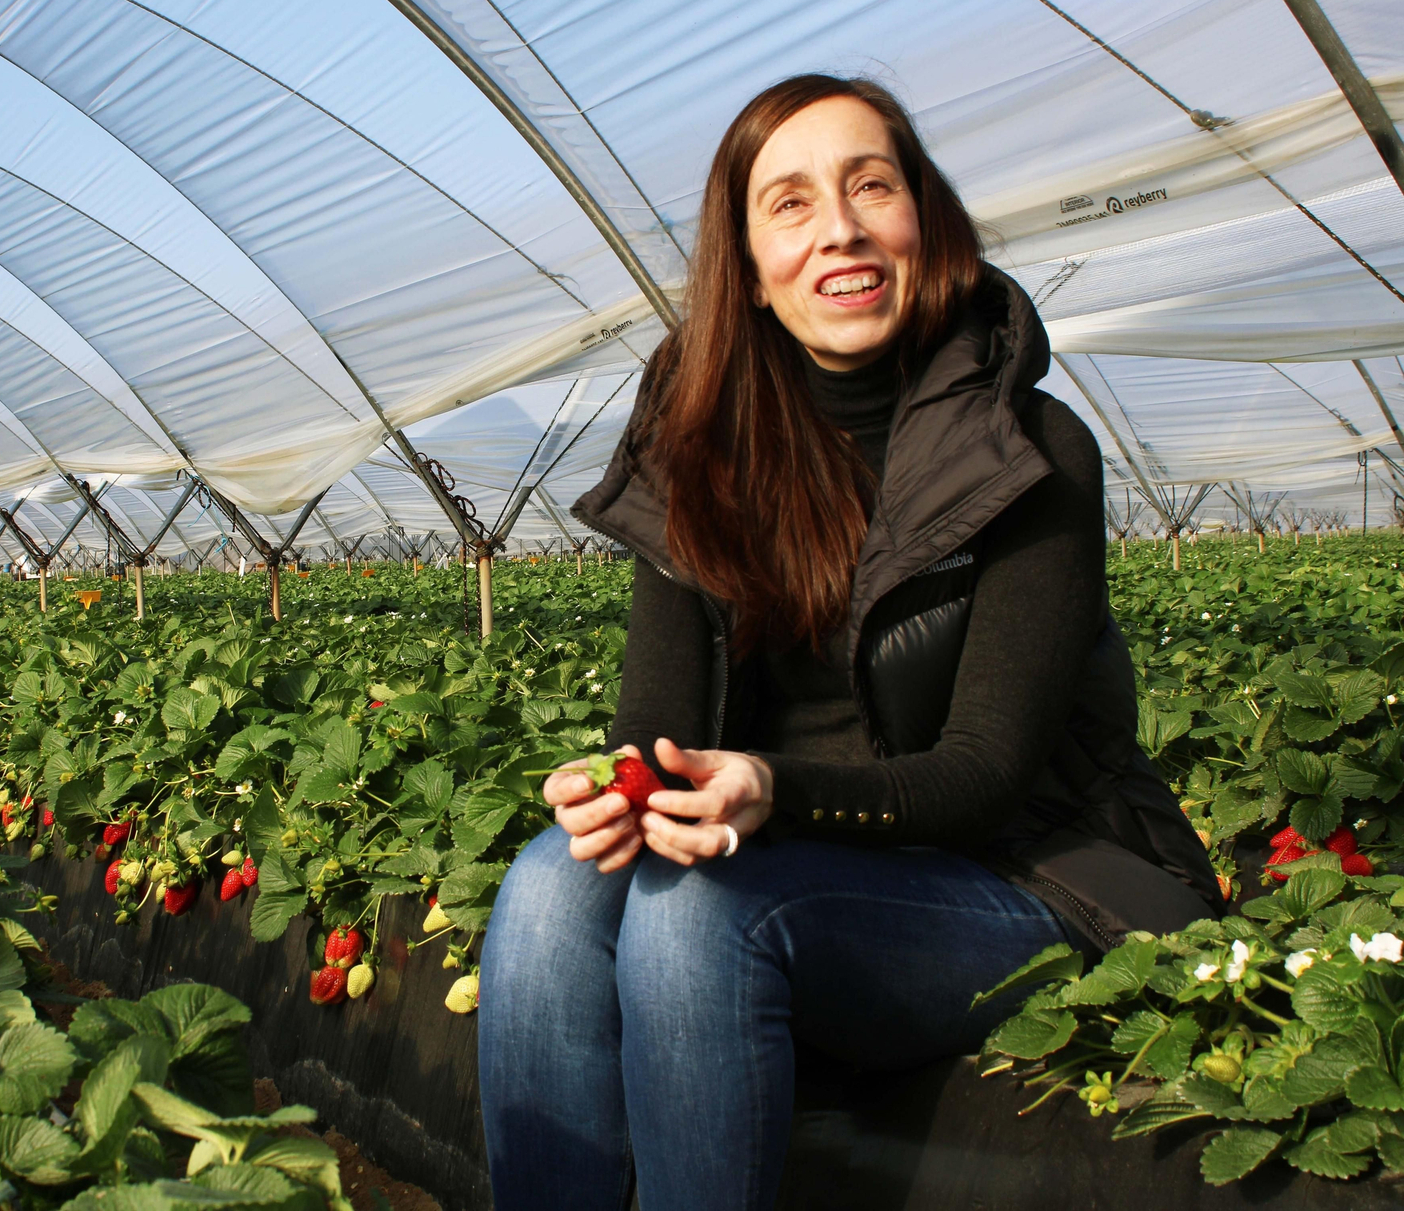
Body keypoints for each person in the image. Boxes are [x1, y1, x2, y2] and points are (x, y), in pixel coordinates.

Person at [477, 74, 1221, 1211]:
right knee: (544, 884)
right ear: (749, 270)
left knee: (698, 919)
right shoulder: (698, 449)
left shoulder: (1031, 449)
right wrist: (615, 789)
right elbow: (656, 732)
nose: (839, 227)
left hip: (1025, 876)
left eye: (871, 185)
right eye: (789, 202)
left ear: (923, 221)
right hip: (801, 867)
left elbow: (983, 778)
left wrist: (772, 787)